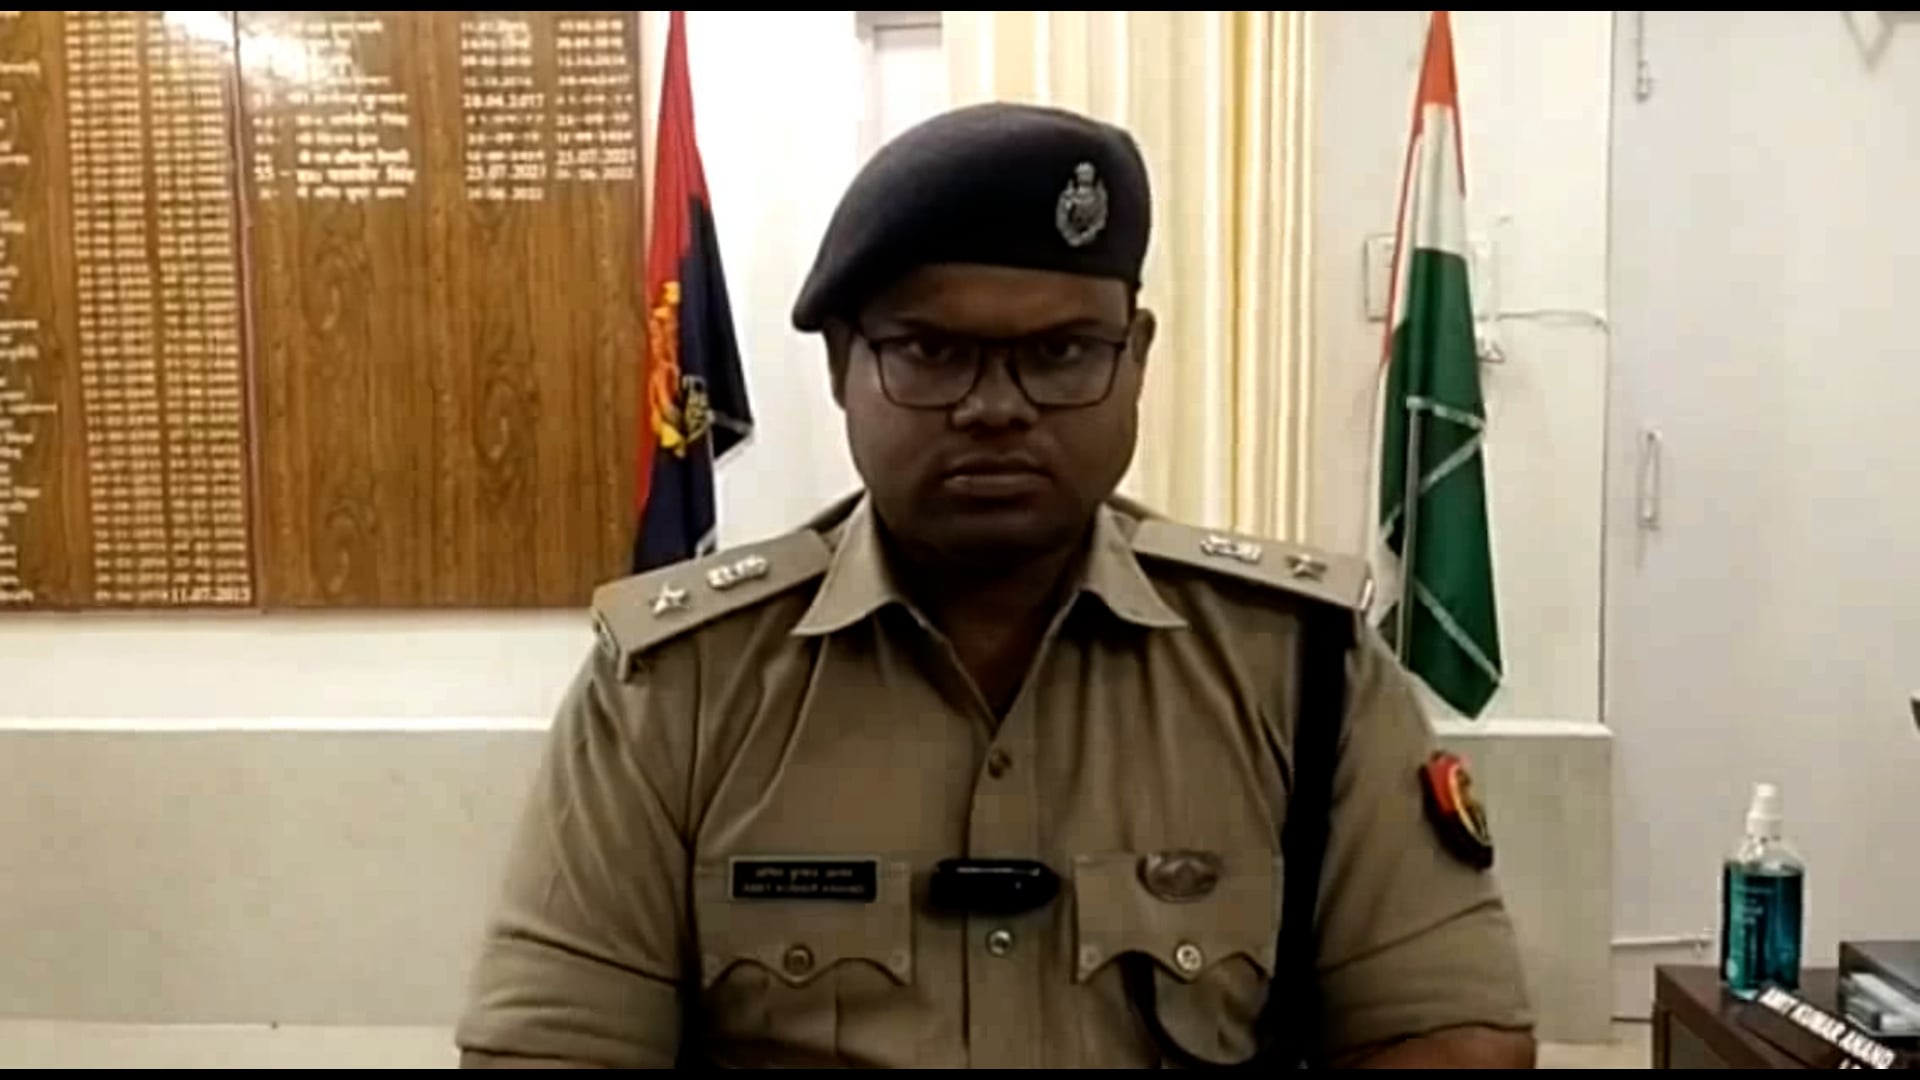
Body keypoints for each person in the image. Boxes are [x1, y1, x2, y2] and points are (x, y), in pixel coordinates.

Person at [455, 102, 1536, 1069]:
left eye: (1063, 353)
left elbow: (1450, 1033)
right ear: (840, 365)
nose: (996, 407)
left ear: (1136, 356)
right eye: (930, 352)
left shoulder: (1299, 668)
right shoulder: (677, 687)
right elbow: (553, 1047)